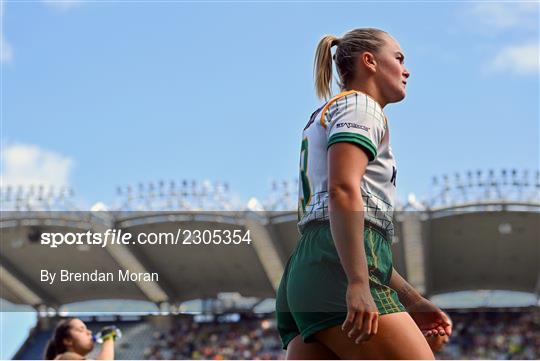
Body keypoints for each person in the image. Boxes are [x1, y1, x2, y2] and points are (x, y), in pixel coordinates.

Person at [276, 28, 452, 359]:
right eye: (398, 58)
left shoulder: (326, 112)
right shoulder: (362, 106)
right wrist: (358, 282)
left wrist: (411, 299)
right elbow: (343, 191)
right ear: (369, 61)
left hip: (308, 270)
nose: (406, 69)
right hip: (336, 268)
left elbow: (357, 230)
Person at [44, 318, 115, 360]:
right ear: (68, 341)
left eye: (87, 329)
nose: (89, 332)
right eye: (81, 330)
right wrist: (108, 337)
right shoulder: (65, 357)